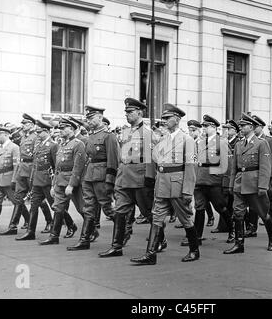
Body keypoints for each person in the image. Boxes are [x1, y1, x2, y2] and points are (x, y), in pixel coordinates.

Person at [130, 103, 199, 265]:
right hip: (162, 183)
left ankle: (194, 250)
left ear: (177, 119)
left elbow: (191, 167)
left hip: (177, 184)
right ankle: (150, 254)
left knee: (185, 219)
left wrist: (188, 191)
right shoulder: (164, 138)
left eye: (167, 118)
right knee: (157, 217)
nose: (164, 121)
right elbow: (155, 158)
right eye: (164, 118)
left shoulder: (187, 140)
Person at [98, 98, 166, 257]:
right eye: (126, 112)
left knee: (148, 212)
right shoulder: (126, 132)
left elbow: (152, 158)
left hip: (140, 179)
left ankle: (160, 240)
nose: (127, 115)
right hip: (124, 178)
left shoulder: (148, 133)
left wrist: (150, 181)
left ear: (140, 112)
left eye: (130, 112)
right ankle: (117, 246)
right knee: (120, 211)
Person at [67, 106, 119, 251]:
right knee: (88, 208)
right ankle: (84, 240)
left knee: (107, 208)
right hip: (89, 176)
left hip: (101, 177)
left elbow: (113, 161)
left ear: (100, 118)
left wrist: (110, 181)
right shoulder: (91, 135)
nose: (88, 121)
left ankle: (122, 232)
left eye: (91, 118)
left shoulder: (109, 136)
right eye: (87, 119)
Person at [224, 113, 272, 254]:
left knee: (263, 212)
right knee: (238, 214)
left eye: (243, 125)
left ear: (251, 127)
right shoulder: (239, 144)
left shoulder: (261, 143)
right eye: (240, 125)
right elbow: (234, 167)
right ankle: (239, 244)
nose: (240, 128)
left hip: (254, 184)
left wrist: (262, 186)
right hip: (239, 183)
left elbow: (265, 167)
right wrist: (231, 185)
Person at [188, 115, 233, 247]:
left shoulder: (222, 142)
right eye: (203, 126)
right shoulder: (200, 142)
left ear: (213, 127)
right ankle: (197, 236)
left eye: (206, 126)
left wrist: (226, 184)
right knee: (199, 208)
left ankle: (232, 230)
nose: (204, 129)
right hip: (200, 179)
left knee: (221, 207)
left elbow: (227, 165)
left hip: (214, 180)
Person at [39, 118, 86, 245]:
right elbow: (57, 167)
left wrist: (71, 185)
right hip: (60, 181)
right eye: (59, 128)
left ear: (71, 129)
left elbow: (78, 167)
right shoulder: (61, 144)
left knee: (82, 209)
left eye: (63, 128)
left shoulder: (78, 144)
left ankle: (90, 232)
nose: (60, 131)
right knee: (58, 208)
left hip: (72, 182)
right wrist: (54, 185)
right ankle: (54, 236)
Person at [15, 120, 57, 240]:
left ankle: (69, 225)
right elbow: (35, 164)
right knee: (34, 205)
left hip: (47, 180)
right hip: (37, 180)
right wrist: (32, 180)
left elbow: (56, 167)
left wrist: (54, 184)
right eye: (37, 131)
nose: (38, 133)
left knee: (54, 205)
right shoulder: (39, 145)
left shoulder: (53, 145)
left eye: (40, 131)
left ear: (47, 131)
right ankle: (30, 232)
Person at [0, 114, 37, 235]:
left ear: (31, 124)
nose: (23, 126)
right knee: (18, 198)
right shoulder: (23, 137)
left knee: (39, 199)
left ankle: (52, 222)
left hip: (31, 169)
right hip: (22, 169)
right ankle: (13, 227)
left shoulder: (35, 137)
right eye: (22, 124)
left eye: (25, 124)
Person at [245, 115, 272, 236]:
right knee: (253, 204)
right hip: (254, 177)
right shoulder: (249, 140)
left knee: (270, 203)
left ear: (261, 127)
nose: (253, 129)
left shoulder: (269, 140)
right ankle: (252, 228)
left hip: (266, 177)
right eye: (252, 126)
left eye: (255, 127)